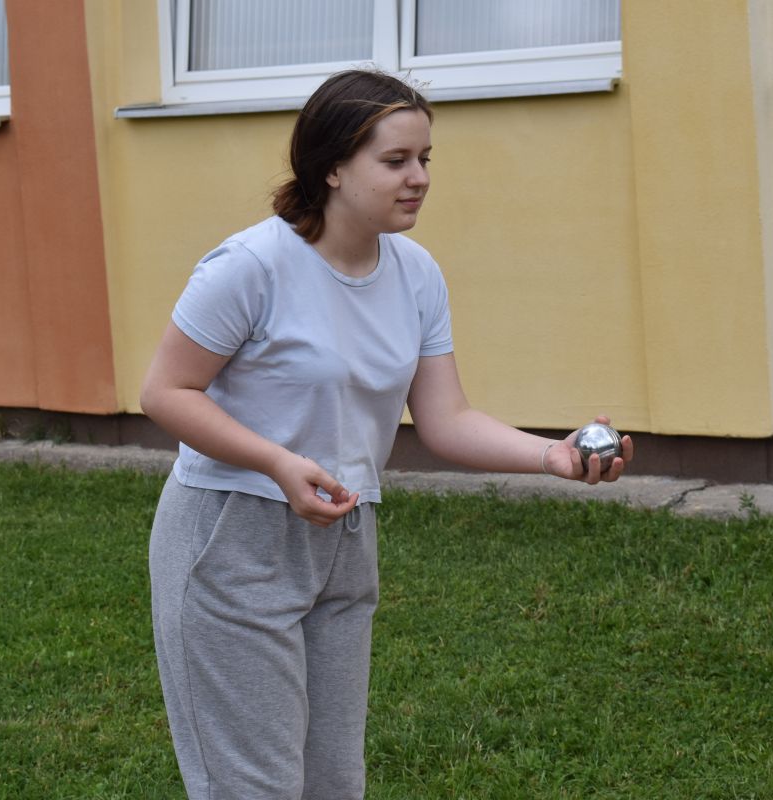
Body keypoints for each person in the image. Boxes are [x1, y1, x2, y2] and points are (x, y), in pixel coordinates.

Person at [140, 68, 634, 800]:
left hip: (345, 538)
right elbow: (165, 391)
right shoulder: (250, 267)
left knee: (334, 783)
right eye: (396, 160)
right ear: (332, 167)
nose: (419, 178)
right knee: (253, 786)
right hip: (232, 535)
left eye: (425, 158)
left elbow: (445, 418)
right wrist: (276, 462)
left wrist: (550, 456)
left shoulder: (416, 274)